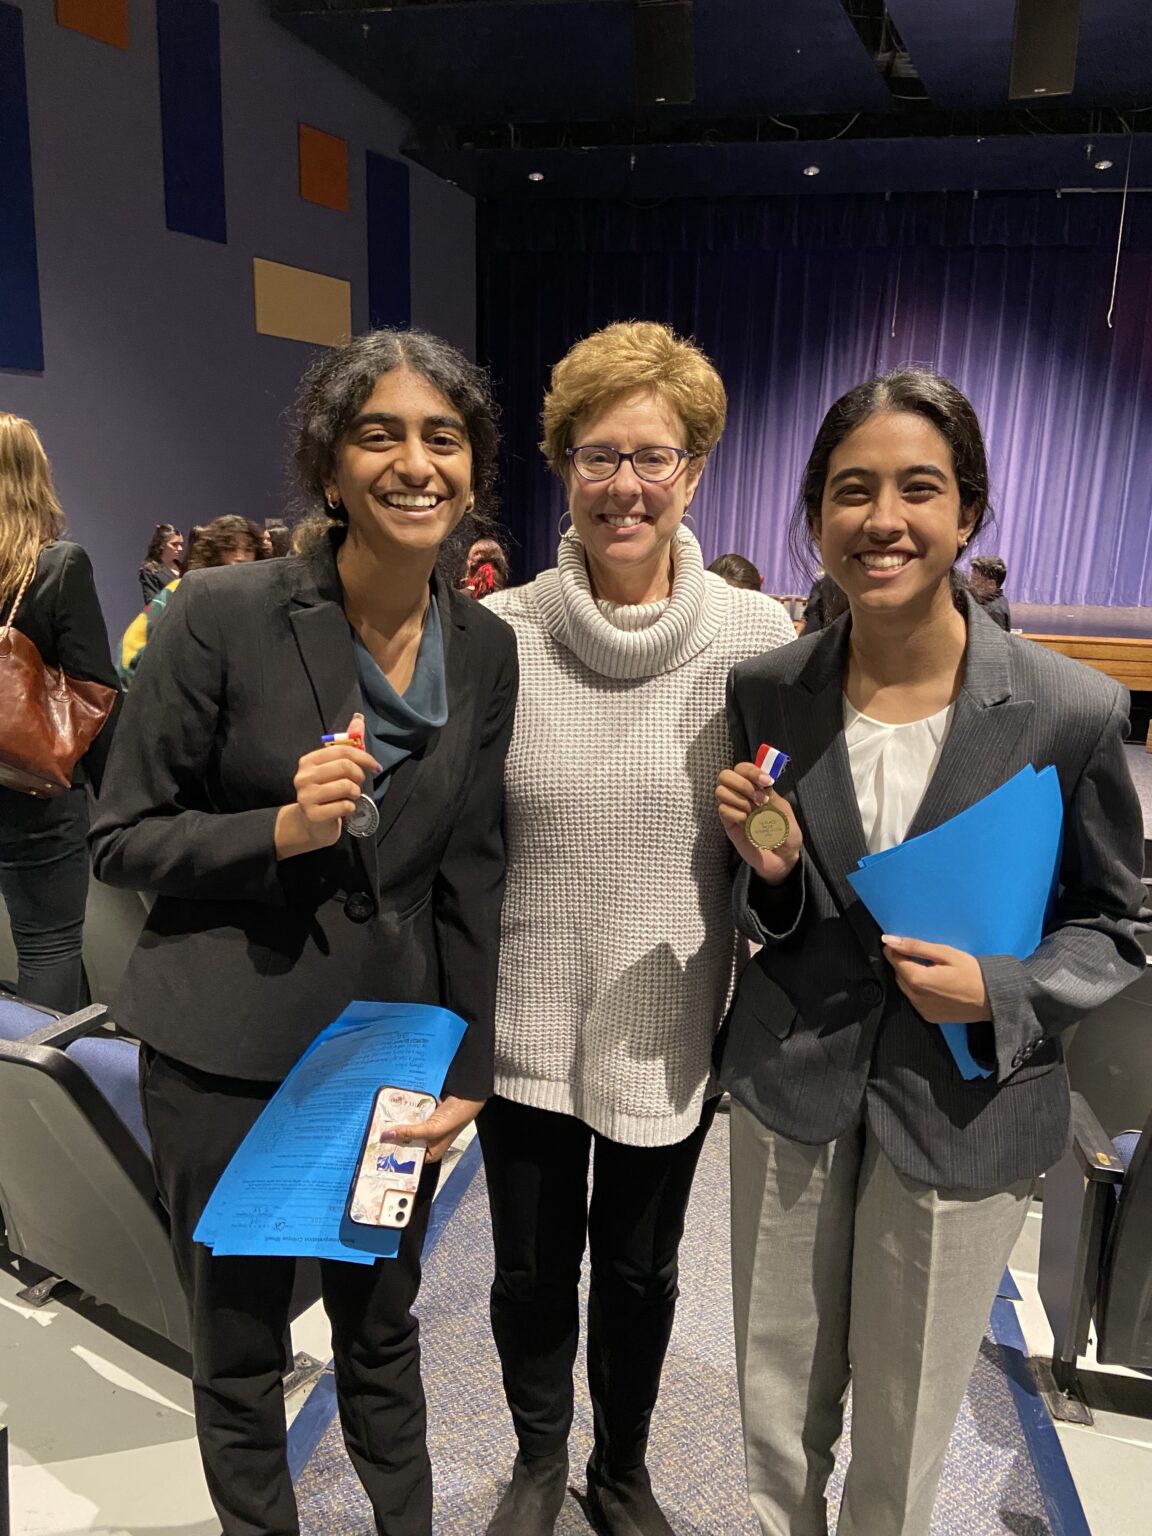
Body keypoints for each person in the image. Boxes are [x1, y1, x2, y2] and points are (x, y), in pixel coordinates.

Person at [89, 328, 518, 1536]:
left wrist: (470, 1066)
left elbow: (472, 873)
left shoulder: (486, 647)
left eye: (443, 437)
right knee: (236, 1355)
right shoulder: (220, 613)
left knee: (383, 1333)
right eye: (378, 433)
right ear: (330, 468)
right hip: (224, 1059)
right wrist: (272, 832)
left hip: (381, 1060)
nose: (415, 461)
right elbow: (121, 837)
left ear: (473, 472)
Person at [714, 368, 1148, 1536]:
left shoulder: (1070, 710)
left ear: (970, 513)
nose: (884, 520)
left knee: (903, 1437)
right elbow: (773, 915)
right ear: (816, 516)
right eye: (852, 491)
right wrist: (771, 882)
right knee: (773, 1405)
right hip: (794, 1084)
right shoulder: (767, 691)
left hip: (966, 1108)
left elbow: (1123, 921)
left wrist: (1005, 987)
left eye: (919, 488)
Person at [479, 321, 796, 1536]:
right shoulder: (498, 634)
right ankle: (534, 1459)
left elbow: (782, 877)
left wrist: (773, 861)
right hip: (519, 1024)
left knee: (639, 1273)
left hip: (668, 1024)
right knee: (525, 1270)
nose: (626, 485)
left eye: (654, 457)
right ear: (563, 465)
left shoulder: (756, 642)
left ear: (697, 472)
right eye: (599, 454)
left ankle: (621, 1468)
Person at [0, 414, 119, 1011]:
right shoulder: (58, 565)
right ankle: (44, 1091)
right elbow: (95, 689)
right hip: (35, 790)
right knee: (46, 944)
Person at [117, 514, 267, 686]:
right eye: (230, 547)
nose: (240, 557)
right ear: (214, 551)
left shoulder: (257, 599)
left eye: (248, 549)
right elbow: (130, 655)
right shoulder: (182, 591)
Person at [139, 522, 184, 603]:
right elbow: (153, 604)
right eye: (174, 544)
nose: (180, 548)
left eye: (181, 544)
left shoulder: (183, 566)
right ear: (162, 545)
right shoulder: (151, 570)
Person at [968, 552, 1011, 630]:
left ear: (991, 584)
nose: (969, 584)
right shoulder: (998, 601)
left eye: (974, 580)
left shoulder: (993, 612)